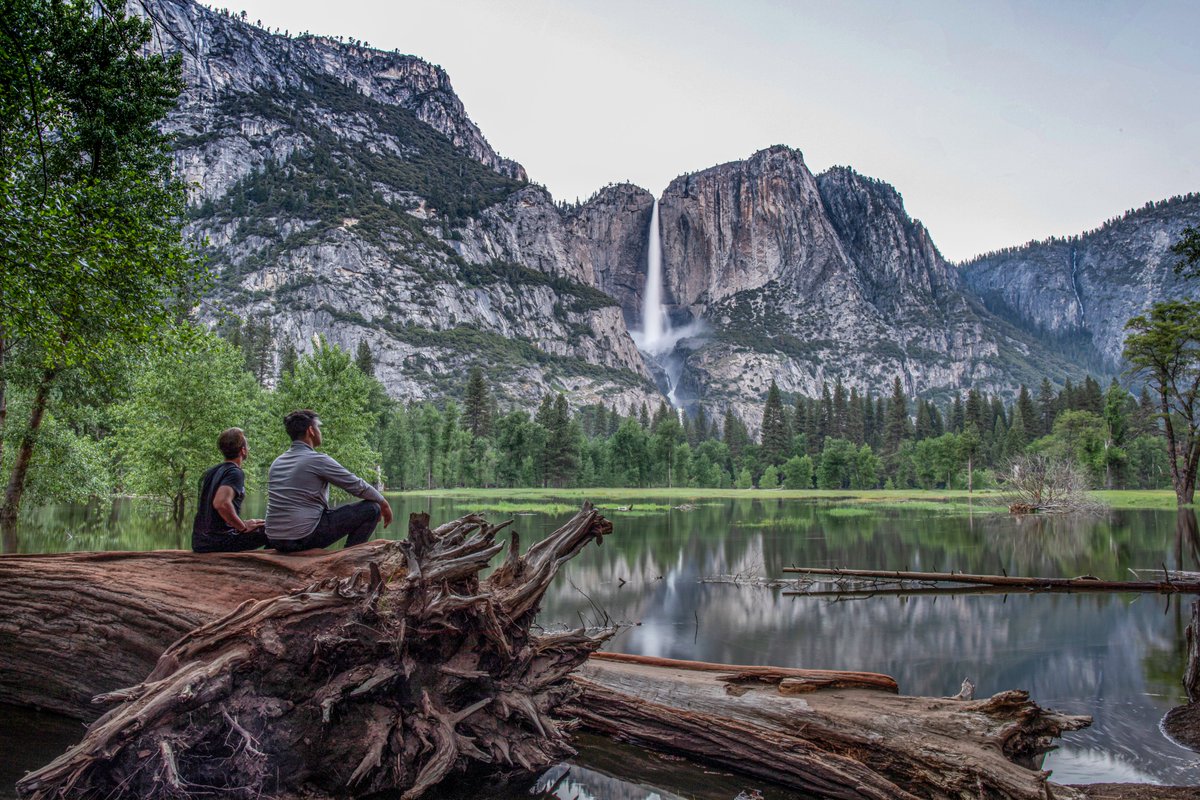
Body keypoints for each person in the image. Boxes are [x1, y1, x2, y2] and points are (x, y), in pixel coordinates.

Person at [266, 409, 393, 552]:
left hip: (274, 539)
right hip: (302, 538)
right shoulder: (317, 460)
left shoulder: (277, 462)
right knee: (372, 509)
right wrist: (382, 502)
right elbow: (356, 485)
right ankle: (348, 559)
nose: (320, 431)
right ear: (311, 431)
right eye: (318, 427)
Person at [191, 428, 268, 553]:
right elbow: (221, 503)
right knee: (271, 529)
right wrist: (242, 527)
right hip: (219, 542)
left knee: (258, 524)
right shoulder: (235, 472)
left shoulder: (210, 472)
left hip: (200, 542)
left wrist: (241, 525)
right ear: (243, 450)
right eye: (247, 446)